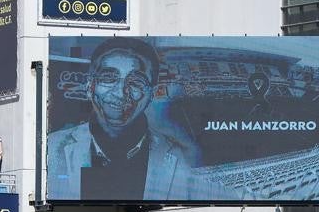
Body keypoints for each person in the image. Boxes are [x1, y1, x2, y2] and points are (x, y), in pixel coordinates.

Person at [45, 38, 246, 201]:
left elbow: (233, 195)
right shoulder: (52, 148)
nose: (120, 93)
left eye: (136, 82)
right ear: (90, 86)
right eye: (109, 78)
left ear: (152, 93)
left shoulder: (180, 156)